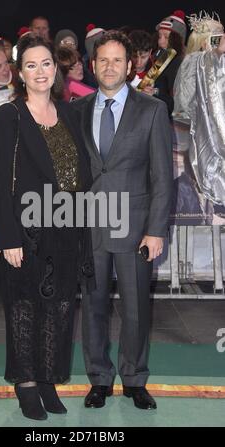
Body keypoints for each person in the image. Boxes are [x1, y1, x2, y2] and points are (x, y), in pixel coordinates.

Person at [0, 34, 94, 421]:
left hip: (65, 229)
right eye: (31, 65)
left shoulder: (70, 115)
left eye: (46, 63)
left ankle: (48, 379)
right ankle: (26, 384)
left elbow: (81, 175)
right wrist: (7, 237)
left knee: (60, 309)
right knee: (25, 309)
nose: (40, 71)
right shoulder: (8, 117)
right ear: (20, 73)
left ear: (56, 68)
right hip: (25, 233)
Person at [72, 30, 173, 410]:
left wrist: (156, 230)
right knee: (93, 307)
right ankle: (98, 378)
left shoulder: (152, 110)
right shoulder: (77, 110)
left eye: (117, 60)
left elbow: (163, 176)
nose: (110, 66)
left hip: (135, 228)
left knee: (135, 308)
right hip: (89, 227)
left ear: (130, 65)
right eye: (103, 60)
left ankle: (134, 380)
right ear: (93, 65)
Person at [173, 11, 225, 206]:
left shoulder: (214, 62)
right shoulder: (197, 61)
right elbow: (186, 103)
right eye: (219, 35)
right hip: (195, 136)